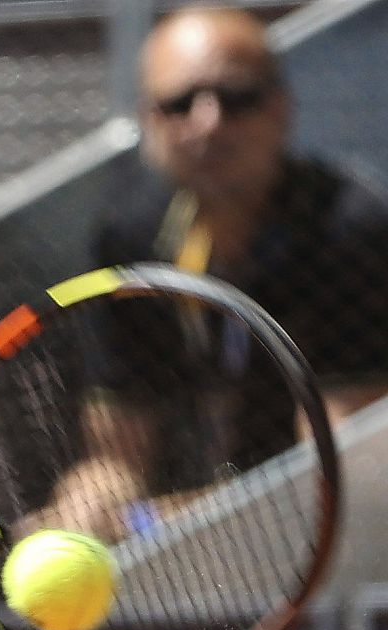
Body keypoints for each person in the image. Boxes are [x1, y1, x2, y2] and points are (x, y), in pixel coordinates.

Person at [36, 4, 388, 540]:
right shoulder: (131, 237)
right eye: (179, 103)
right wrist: (84, 511)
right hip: (219, 534)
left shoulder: (348, 229)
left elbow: (342, 473)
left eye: (236, 97)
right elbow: (116, 457)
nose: (209, 122)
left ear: (282, 109)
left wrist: (156, 522)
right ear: (147, 119)